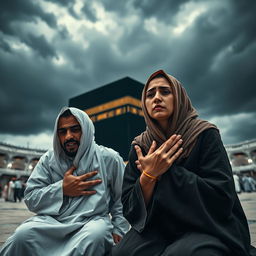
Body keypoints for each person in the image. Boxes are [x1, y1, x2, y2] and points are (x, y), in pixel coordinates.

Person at [112, 70, 256, 256]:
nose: (156, 98)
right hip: (159, 226)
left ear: (179, 97)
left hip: (207, 224)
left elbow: (221, 198)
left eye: (165, 91)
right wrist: (148, 176)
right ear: (144, 103)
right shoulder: (140, 146)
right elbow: (130, 207)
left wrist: (167, 171)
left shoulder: (204, 134)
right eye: (150, 94)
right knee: (123, 253)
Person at [0, 107, 129, 256]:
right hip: (52, 222)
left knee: (95, 236)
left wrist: (119, 228)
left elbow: (123, 198)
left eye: (75, 129)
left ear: (86, 130)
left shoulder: (109, 158)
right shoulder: (49, 160)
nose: (69, 136)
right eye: (63, 131)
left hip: (91, 222)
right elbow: (30, 197)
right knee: (22, 235)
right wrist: (62, 189)